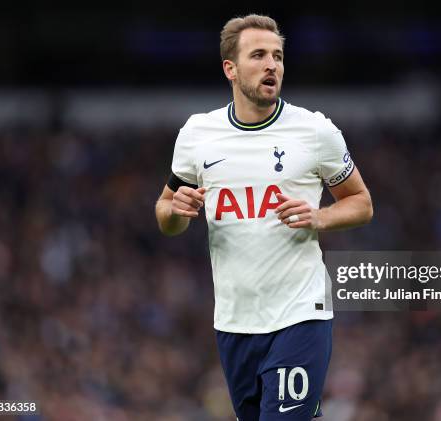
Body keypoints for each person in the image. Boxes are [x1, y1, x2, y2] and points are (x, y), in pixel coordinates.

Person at [155, 14, 373, 421]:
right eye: (258, 55)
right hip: (234, 322)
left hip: (300, 314)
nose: (272, 64)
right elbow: (166, 211)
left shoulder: (314, 131)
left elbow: (361, 202)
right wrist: (176, 212)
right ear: (231, 69)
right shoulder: (198, 134)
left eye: (278, 56)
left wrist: (320, 217)